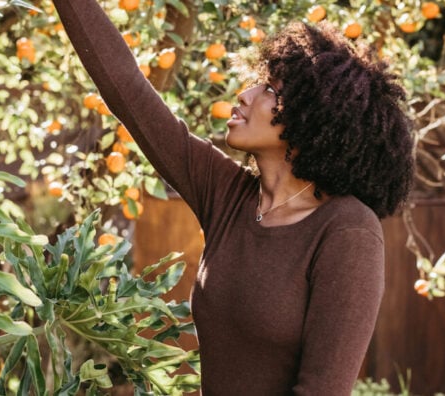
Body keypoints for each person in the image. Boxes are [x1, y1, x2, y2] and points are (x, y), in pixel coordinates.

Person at [53, 1, 415, 394]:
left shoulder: (348, 230)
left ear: (315, 117)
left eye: (270, 91)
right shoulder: (228, 195)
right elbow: (128, 90)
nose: (243, 95)